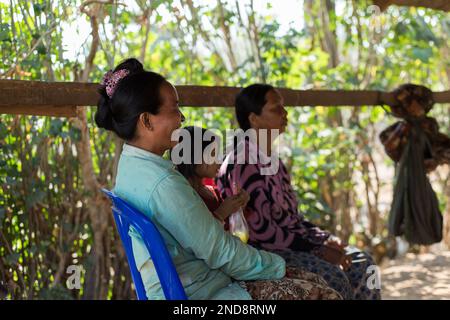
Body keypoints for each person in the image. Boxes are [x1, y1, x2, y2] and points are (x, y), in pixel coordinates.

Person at [95, 59, 342, 300]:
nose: (182, 118)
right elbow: (219, 251)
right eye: (174, 109)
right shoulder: (164, 183)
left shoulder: (130, 166)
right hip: (205, 291)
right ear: (147, 120)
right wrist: (278, 266)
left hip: (183, 285)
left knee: (314, 280)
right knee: (324, 292)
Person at [216, 84, 382, 300]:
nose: (285, 113)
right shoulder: (243, 163)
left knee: (363, 264)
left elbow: (292, 219)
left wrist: (323, 239)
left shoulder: (273, 162)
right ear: (254, 119)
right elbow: (262, 234)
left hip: (293, 244)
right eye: (276, 109)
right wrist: (317, 250)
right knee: (334, 278)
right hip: (265, 254)